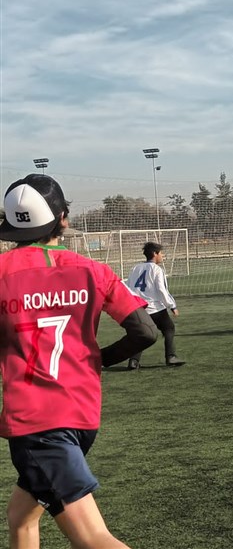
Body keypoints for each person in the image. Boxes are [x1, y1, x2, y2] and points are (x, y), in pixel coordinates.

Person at [0, 174, 158, 549]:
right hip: (82, 416)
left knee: (93, 538)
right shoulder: (93, 270)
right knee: (21, 518)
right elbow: (145, 332)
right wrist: (98, 360)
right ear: (63, 218)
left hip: (37, 422)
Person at [126, 242, 185, 368]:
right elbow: (162, 290)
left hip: (138, 309)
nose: (162, 256)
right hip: (154, 308)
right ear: (155, 253)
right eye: (161, 253)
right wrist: (172, 306)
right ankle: (171, 357)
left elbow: (128, 288)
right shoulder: (157, 269)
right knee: (169, 328)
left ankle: (133, 361)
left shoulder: (135, 268)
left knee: (142, 334)